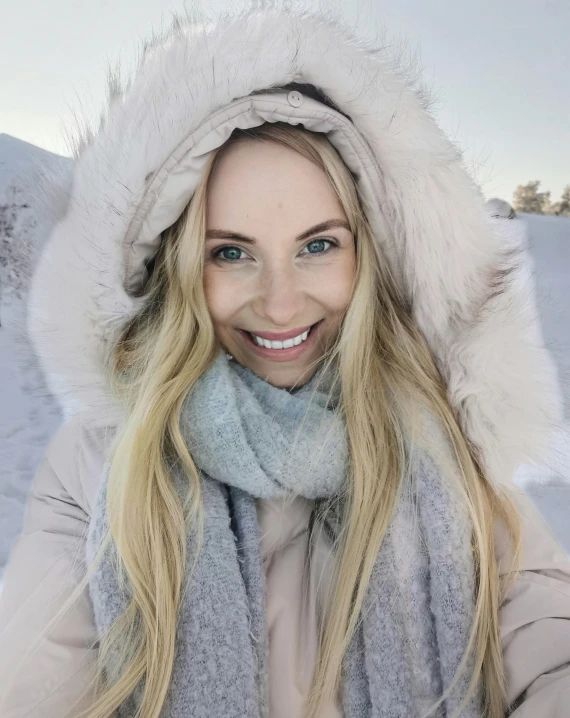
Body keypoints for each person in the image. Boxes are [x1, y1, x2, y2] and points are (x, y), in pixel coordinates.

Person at [1, 7, 570, 718]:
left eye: (318, 245)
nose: (278, 304)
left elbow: (549, 642)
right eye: (230, 252)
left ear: (373, 258)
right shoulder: (103, 467)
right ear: (181, 268)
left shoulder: (450, 456)